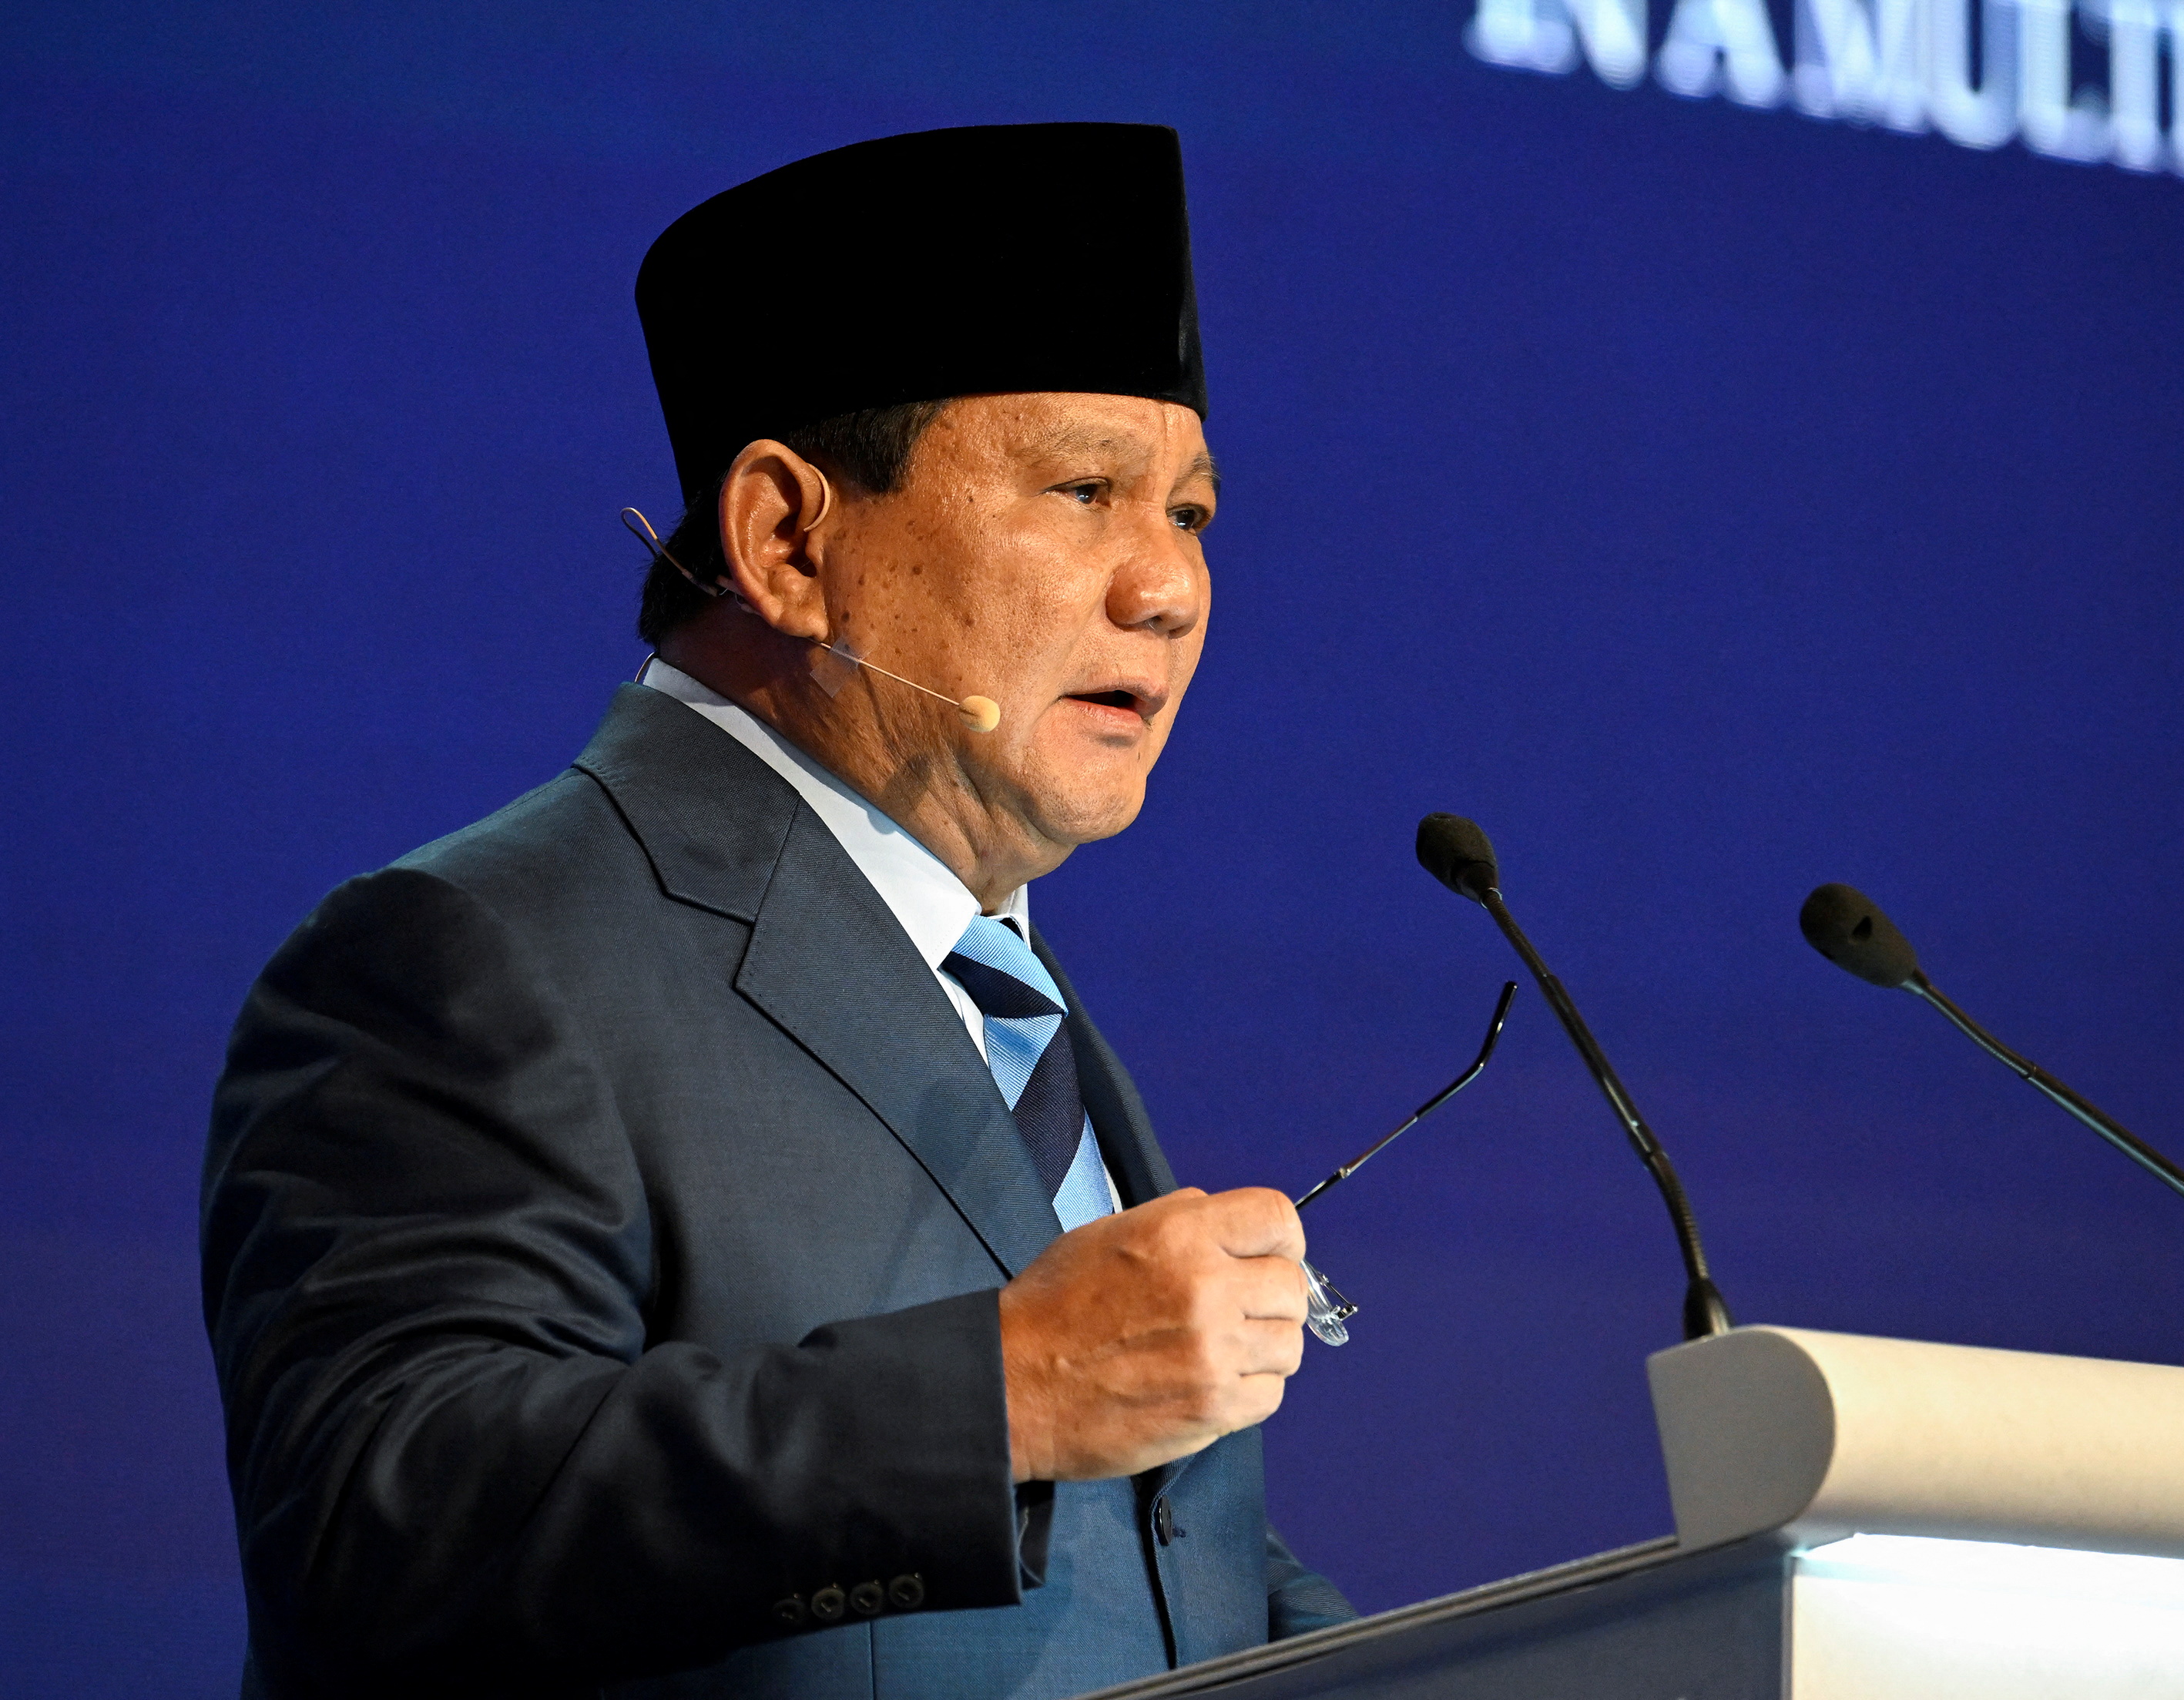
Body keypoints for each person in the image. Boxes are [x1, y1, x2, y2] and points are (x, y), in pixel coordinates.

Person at [202, 122, 1354, 1700]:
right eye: (1085, 490)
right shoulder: (466, 954)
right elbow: (373, 1525)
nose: (1166, 586)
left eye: (1193, 515)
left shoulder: (1002, 989)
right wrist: (996, 1396)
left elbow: (1148, 1574)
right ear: (788, 543)